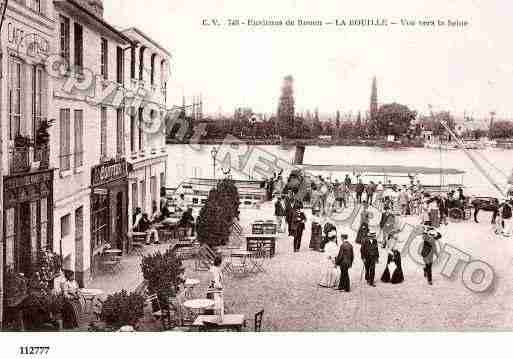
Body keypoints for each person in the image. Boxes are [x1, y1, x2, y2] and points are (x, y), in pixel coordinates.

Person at [208, 255, 224, 320]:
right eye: (221, 263)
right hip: (215, 288)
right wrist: (220, 289)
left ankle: (215, 316)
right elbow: (216, 281)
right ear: (219, 263)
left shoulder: (213, 268)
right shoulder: (216, 270)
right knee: (218, 303)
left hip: (211, 287)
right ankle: (218, 318)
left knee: (213, 303)